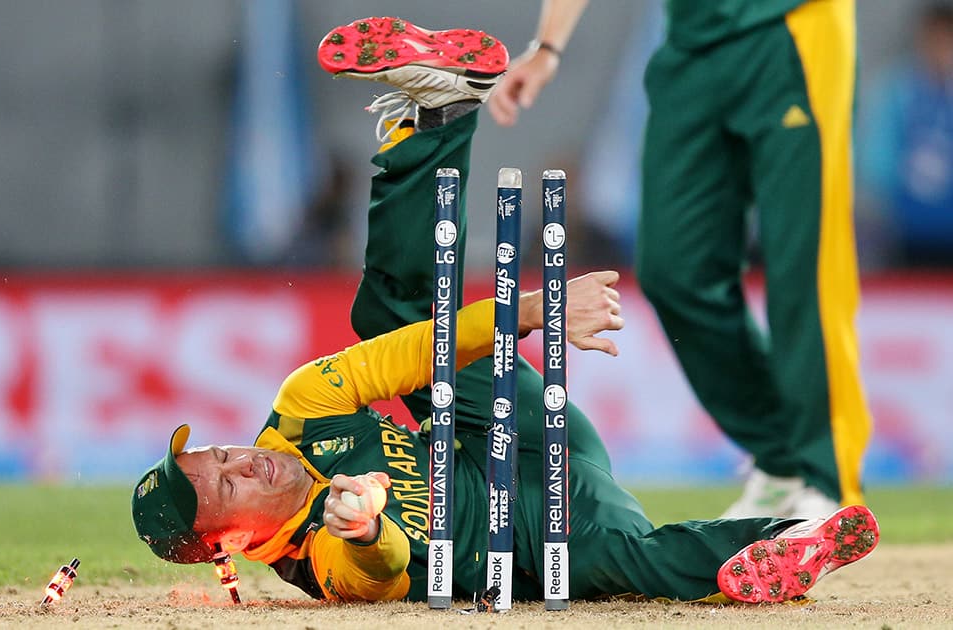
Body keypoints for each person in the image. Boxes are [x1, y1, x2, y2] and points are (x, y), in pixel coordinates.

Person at [131, 16, 879, 605]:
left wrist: (534, 309)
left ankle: (437, 118)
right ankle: (794, 538)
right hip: (533, 526)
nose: (243, 462)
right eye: (226, 486)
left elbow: (410, 354)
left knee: (393, 317)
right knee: (613, 561)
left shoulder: (297, 411)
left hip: (499, 428)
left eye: (222, 455)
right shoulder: (321, 559)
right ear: (230, 543)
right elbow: (378, 571)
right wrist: (360, 529)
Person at [488, 0, 873, 519]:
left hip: (792, 27)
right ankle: (781, 458)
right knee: (674, 271)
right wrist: (548, 45)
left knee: (805, 267)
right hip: (690, 42)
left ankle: (830, 481)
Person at [858, 2, 953, 268]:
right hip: (906, 232)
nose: (940, 50)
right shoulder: (897, 91)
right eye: (934, 40)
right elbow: (877, 160)